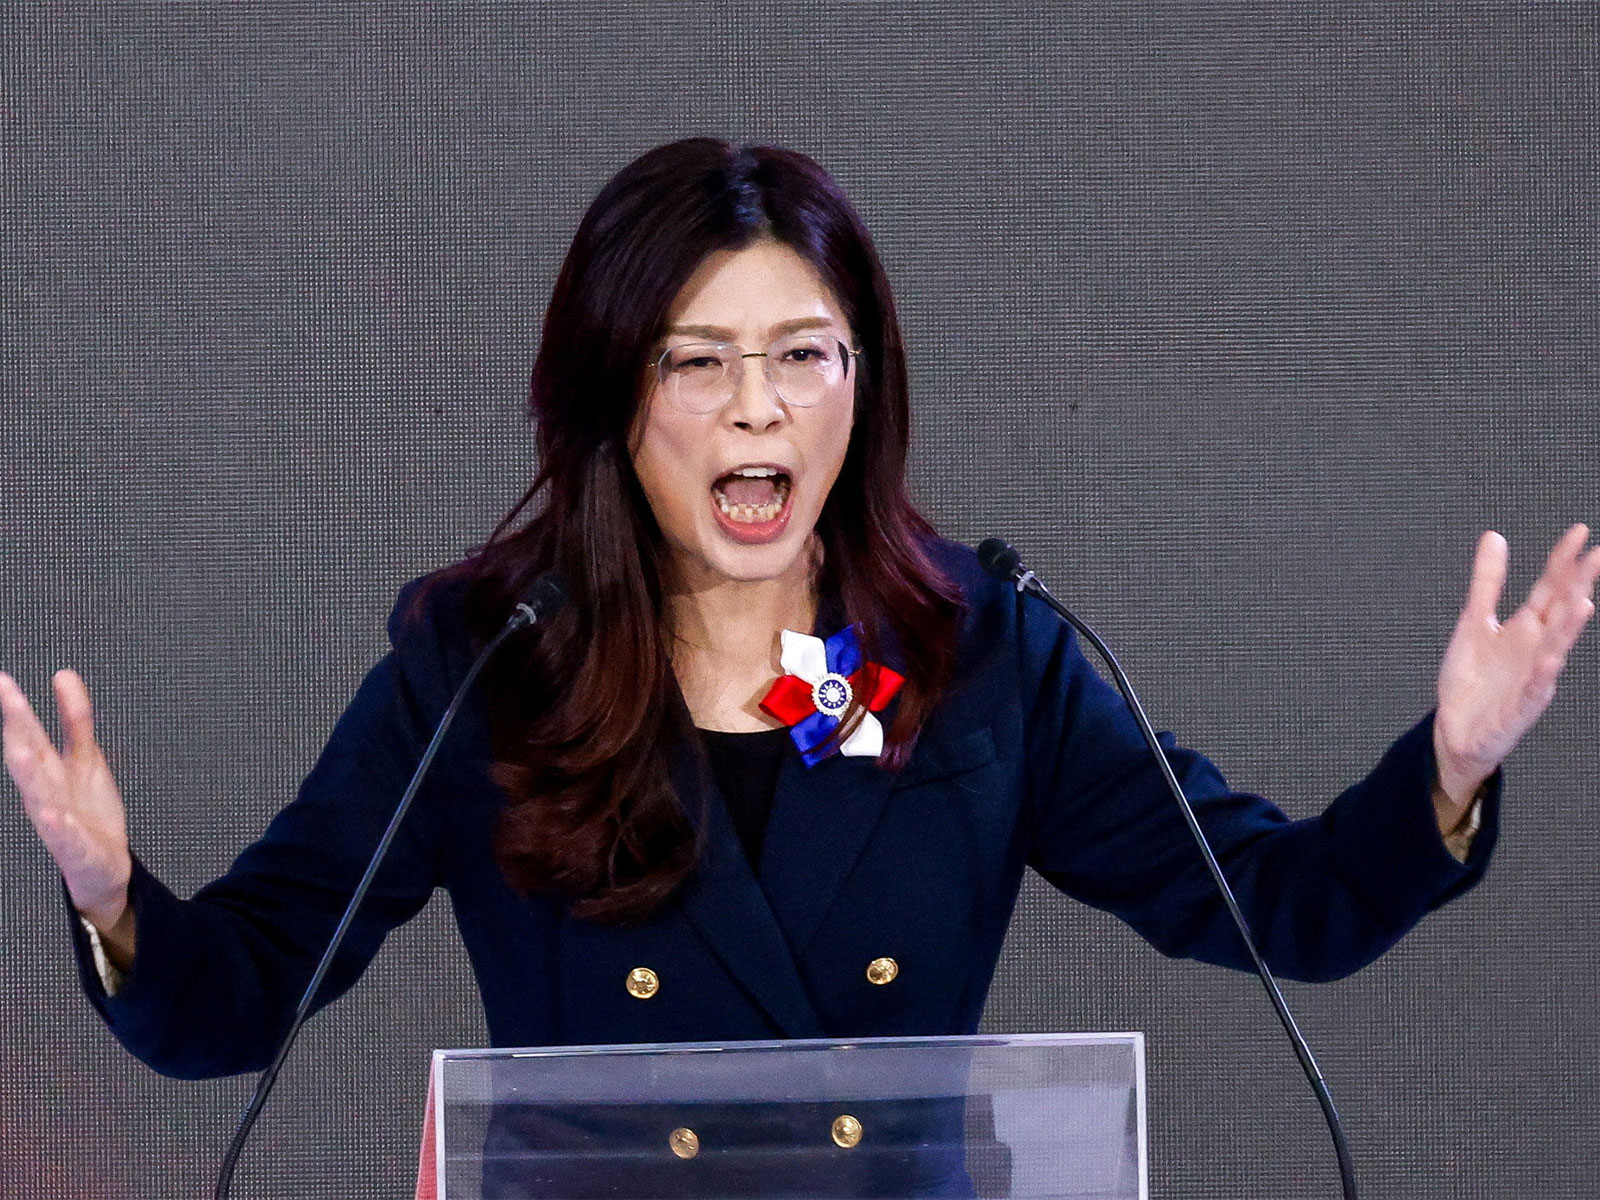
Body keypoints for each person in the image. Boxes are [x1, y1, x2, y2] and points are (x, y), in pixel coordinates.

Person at [3, 139, 1598, 1190]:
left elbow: (1285, 906)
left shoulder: (979, 656)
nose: (755, 410)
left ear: (862, 387)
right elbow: (239, 996)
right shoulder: (489, 660)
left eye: (802, 358)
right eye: (696, 363)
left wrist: (1450, 769)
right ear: (619, 409)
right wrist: (112, 899)